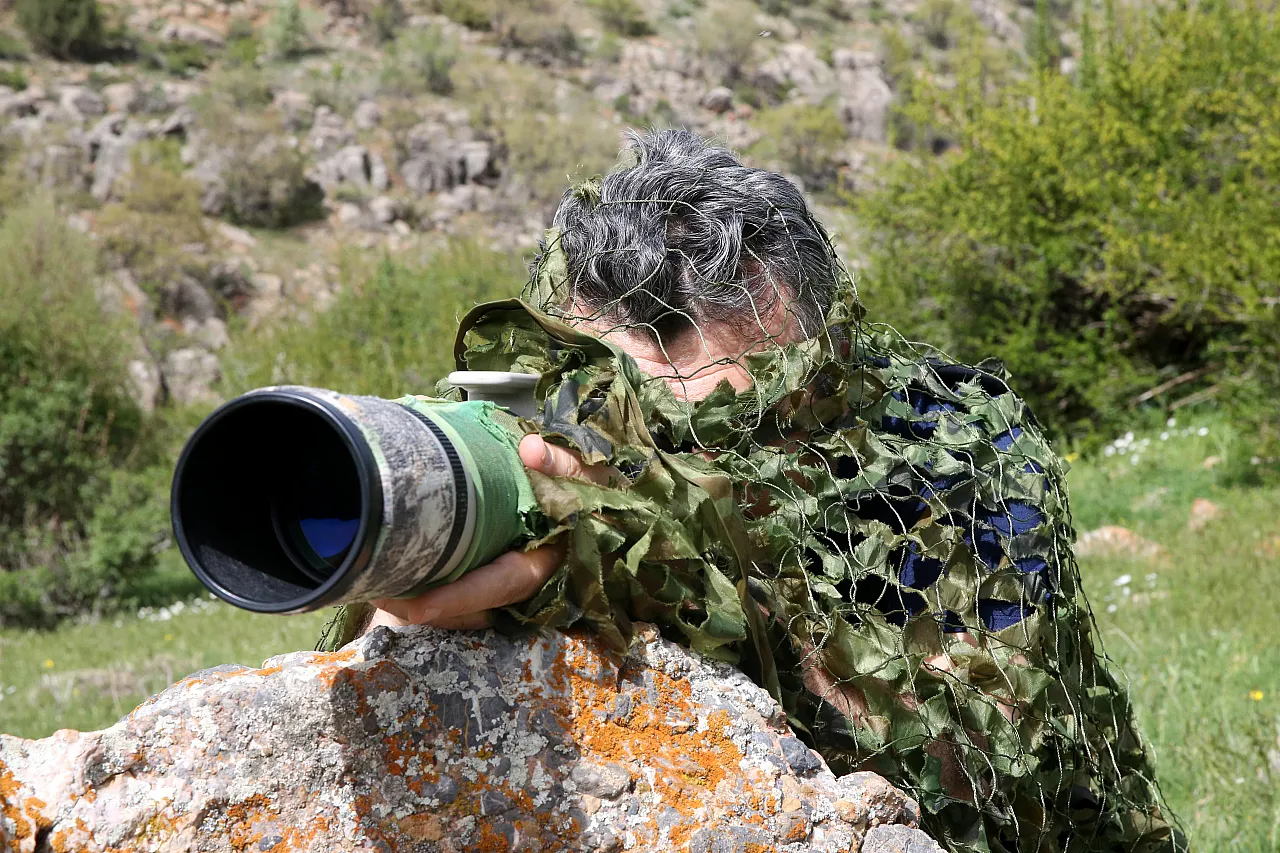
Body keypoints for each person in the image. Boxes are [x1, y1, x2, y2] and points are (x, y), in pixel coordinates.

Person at [352, 130, 1184, 853]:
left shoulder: (955, 448)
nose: (675, 455)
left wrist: (674, 564)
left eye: (737, 425)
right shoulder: (544, 418)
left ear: (823, 369)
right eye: (639, 415)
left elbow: (995, 770)